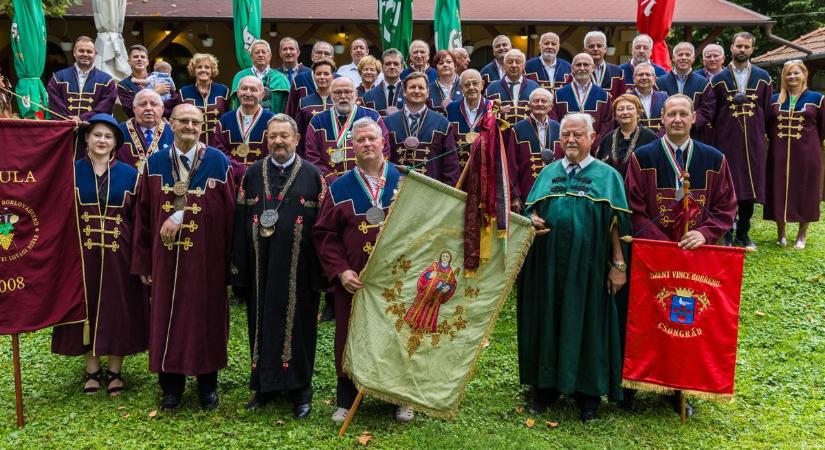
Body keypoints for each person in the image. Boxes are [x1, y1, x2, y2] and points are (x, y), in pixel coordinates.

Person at [624, 94, 738, 415]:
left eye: (683, 114)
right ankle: (633, 386)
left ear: (692, 119)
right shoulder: (642, 157)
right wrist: (662, 246)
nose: (677, 119)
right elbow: (634, 207)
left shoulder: (714, 159)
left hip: (694, 259)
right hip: (652, 257)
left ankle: (677, 388)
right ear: (661, 118)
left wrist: (704, 233)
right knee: (646, 319)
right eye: (671, 113)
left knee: (683, 322)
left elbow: (726, 206)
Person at [518, 113, 629, 422]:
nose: (570, 140)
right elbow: (530, 211)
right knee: (548, 320)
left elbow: (617, 225)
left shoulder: (607, 176)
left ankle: (587, 394)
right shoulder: (548, 173)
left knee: (588, 322)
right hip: (548, 266)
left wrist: (618, 264)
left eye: (578, 135)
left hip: (589, 267)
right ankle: (546, 386)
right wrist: (532, 219)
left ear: (591, 138)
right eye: (566, 134)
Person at [131, 103, 235, 412]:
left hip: (208, 259)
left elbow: (228, 213)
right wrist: (143, 261)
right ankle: (171, 387)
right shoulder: (155, 163)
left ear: (202, 126)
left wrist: (181, 214)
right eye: (183, 121)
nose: (189, 126)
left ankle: (207, 386)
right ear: (171, 124)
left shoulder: (218, 162)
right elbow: (143, 217)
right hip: (165, 259)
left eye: (195, 121)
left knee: (207, 318)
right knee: (166, 316)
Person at [312, 117, 412, 424]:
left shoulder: (405, 181)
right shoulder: (339, 186)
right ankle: (346, 398)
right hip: (354, 281)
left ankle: (399, 398)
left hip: (396, 279)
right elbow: (325, 235)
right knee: (349, 336)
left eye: (372, 138)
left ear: (383, 141)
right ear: (351, 146)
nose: (367, 144)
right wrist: (341, 271)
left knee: (396, 336)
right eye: (360, 140)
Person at [231, 113, 325, 419]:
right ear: (266, 139)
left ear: (296, 139)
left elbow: (323, 230)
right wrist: (240, 273)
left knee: (299, 328)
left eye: (284, 136)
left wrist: (320, 275)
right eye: (273, 136)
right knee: (260, 324)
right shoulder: (252, 174)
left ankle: (300, 391)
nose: (278, 141)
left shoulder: (314, 176)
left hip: (300, 271)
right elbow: (241, 223)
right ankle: (265, 387)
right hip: (261, 268)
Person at [51, 114, 148, 397]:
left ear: (116, 142)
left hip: (122, 252)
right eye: (97, 135)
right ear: (86, 139)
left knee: (120, 306)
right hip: (82, 253)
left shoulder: (131, 174)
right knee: (86, 305)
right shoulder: (70, 171)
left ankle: (115, 370)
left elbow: (140, 219)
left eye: (108, 136)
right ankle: (92, 369)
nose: (102, 140)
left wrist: (140, 257)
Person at [710, 32, 772, 249]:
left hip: (754, 141)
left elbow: (766, 110)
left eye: (746, 47)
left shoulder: (763, 76)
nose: (742, 50)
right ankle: (726, 232)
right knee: (727, 188)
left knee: (749, 188)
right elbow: (713, 111)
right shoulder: (718, 79)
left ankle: (743, 234)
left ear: (753, 49)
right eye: (739, 46)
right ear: (731, 47)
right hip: (726, 141)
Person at [765, 60, 825, 249]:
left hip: (807, 152)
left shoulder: (817, 98)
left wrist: (810, 142)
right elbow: (768, 125)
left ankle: (802, 233)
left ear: (804, 75)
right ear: (784, 77)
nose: (792, 77)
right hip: (778, 151)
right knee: (778, 188)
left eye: (796, 73)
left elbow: (823, 127)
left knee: (806, 189)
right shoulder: (775, 99)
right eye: (789, 74)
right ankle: (781, 232)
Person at [305, 77, 389, 184]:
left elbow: (384, 149)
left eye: (347, 92)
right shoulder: (317, 122)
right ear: (331, 95)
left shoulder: (373, 117)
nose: (343, 96)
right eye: (338, 92)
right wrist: (333, 180)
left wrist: (367, 176)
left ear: (356, 94)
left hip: (367, 182)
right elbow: (313, 157)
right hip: (331, 185)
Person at [385, 72, 460, 185]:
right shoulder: (388, 122)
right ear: (404, 92)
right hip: (394, 189)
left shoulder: (442, 123)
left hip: (430, 191)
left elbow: (450, 164)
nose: (416, 91)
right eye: (412, 87)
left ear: (427, 92)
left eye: (421, 87)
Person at [507, 88, 561, 203]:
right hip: (527, 189)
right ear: (530, 105)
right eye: (536, 101)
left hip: (555, 190)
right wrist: (514, 195)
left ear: (550, 106)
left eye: (544, 101)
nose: (540, 104)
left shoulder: (559, 128)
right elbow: (512, 164)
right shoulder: (518, 129)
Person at [217, 75, 275, 181]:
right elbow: (219, 150)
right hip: (231, 177)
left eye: (253, 90)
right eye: (244, 89)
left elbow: (275, 150)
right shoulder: (225, 119)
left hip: (263, 178)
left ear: (262, 95)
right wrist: (238, 169)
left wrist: (256, 170)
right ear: (237, 92)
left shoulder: (272, 120)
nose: (248, 93)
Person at [47, 36, 117, 121]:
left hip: (93, 129)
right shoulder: (58, 78)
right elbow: (54, 102)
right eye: (81, 51)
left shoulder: (106, 81)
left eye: (89, 51)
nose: (85, 54)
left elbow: (106, 106)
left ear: (95, 54)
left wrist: (82, 119)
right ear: (74, 53)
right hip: (65, 127)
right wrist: (70, 120)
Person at [551, 53, 613, 148]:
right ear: (572, 68)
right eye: (578, 65)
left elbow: (608, 122)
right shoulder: (559, 94)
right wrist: (565, 140)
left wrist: (594, 142)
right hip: (568, 146)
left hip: (594, 148)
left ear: (592, 68)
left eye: (586, 65)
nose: (582, 68)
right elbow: (554, 122)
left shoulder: (603, 95)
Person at [655, 42, 715, 139]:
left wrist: (688, 122)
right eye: (680, 54)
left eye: (687, 55)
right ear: (673, 58)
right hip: (665, 135)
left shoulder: (703, 83)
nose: (683, 57)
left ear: (693, 58)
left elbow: (707, 109)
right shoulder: (660, 83)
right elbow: (656, 109)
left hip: (694, 135)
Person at [596, 94, 658, 177]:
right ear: (615, 115)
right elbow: (599, 166)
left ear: (638, 113)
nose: (625, 112)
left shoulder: (650, 137)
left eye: (629, 108)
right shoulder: (608, 138)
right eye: (620, 109)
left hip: (639, 188)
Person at [116, 89, 175, 172]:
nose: (148, 108)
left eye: (153, 104)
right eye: (143, 104)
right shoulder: (118, 132)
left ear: (162, 109)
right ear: (134, 109)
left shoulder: (174, 133)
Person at [180, 53, 229, 148]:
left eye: (207, 67)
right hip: (192, 143)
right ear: (194, 70)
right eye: (199, 67)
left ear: (212, 70)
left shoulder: (223, 90)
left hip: (218, 144)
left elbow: (228, 116)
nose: (203, 70)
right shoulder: (184, 92)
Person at [117, 45, 179, 119]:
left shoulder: (160, 77)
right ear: (129, 61)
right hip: (138, 126)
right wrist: (155, 92)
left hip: (164, 123)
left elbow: (174, 99)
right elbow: (130, 109)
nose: (139, 59)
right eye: (135, 57)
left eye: (143, 57)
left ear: (147, 62)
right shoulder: (123, 85)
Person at [230, 40, 290, 114]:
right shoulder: (241, 77)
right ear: (251, 56)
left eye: (264, 52)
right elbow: (234, 105)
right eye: (257, 52)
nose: (260, 55)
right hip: (246, 123)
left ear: (270, 56)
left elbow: (288, 108)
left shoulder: (281, 78)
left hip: (275, 123)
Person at [446, 69, 491, 169]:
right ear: (461, 88)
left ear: (482, 85)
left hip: (485, 169)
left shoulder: (491, 108)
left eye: (475, 83)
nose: (471, 88)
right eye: (467, 85)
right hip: (457, 169)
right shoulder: (451, 109)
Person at [484, 49, 540, 127]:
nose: (514, 65)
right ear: (503, 65)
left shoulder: (534, 87)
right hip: (501, 136)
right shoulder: (492, 89)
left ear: (524, 66)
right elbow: (485, 115)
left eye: (518, 62)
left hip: (526, 135)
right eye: (510, 62)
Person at [294, 59, 336, 156]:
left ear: (332, 77)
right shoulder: (304, 102)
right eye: (318, 74)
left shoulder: (339, 101)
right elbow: (299, 132)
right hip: (310, 154)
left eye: (326, 74)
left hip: (336, 153)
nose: (322, 77)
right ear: (313, 76)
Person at [286, 41, 336, 118]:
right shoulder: (299, 80)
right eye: (319, 53)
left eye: (327, 53)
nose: (323, 56)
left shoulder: (340, 80)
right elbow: (291, 111)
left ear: (332, 58)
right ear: (312, 57)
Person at [583, 31, 626, 102]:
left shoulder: (617, 72)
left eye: (599, 46)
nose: (595, 49)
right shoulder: (577, 71)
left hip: (610, 112)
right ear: (585, 50)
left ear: (605, 49)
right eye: (591, 46)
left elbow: (622, 98)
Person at [362, 48, 405, 116]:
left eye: (396, 64)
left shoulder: (411, 93)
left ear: (402, 67)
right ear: (382, 67)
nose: (392, 67)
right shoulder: (369, 96)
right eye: (388, 64)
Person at [629, 62, 667, 133]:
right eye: (640, 75)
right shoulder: (627, 99)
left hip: (659, 140)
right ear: (634, 78)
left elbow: (668, 122)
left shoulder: (664, 98)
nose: (644, 77)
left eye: (648, 74)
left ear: (655, 79)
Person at [428, 50, 462, 114]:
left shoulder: (465, 85)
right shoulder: (428, 90)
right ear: (436, 68)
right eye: (441, 63)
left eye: (449, 62)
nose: (445, 65)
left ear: (455, 66)